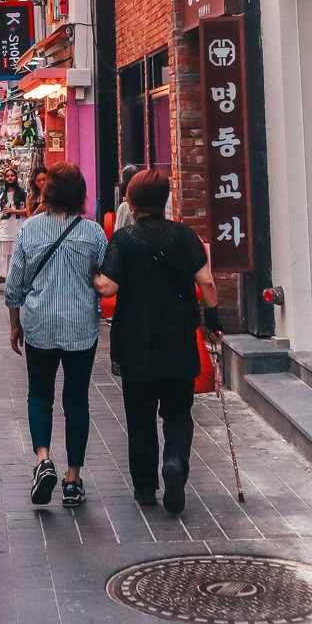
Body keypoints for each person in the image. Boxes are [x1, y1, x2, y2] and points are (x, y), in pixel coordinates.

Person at [94, 169, 220, 515]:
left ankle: (146, 488)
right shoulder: (184, 236)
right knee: (178, 411)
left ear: (132, 203)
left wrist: (92, 272)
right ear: (164, 201)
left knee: (140, 417)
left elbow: (108, 287)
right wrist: (213, 320)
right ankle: (176, 460)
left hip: (135, 340)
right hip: (179, 337)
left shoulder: (124, 240)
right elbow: (206, 283)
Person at [5, 163, 108, 509]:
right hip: (80, 326)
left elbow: (13, 285)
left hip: (39, 324)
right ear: (80, 193)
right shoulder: (93, 233)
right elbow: (105, 281)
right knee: (76, 399)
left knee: (39, 393)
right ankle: (72, 478)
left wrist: (14, 324)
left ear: (46, 191)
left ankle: (43, 459)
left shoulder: (29, 229)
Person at [0, 165, 25, 277]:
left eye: (12, 175)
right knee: (3, 258)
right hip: (3, 230)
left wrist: (13, 211)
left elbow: (27, 212)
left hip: (18, 230)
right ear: (4, 178)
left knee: (16, 258)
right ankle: (7, 283)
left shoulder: (23, 194)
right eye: (8, 176)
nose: (10, 178)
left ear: (16, 177)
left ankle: (14, 282)